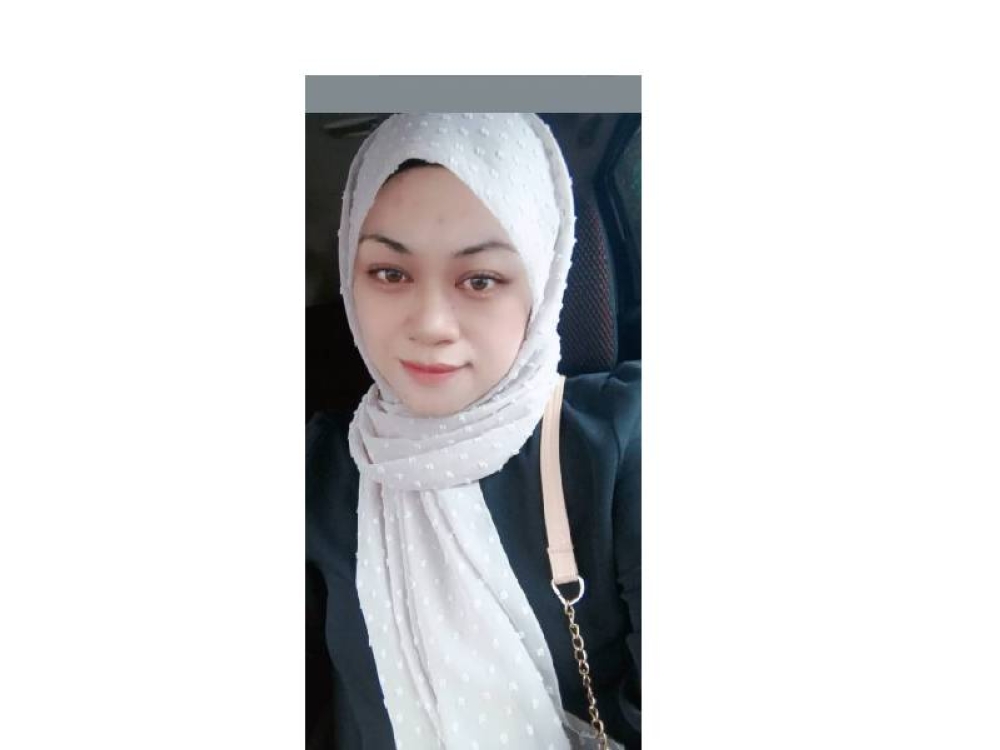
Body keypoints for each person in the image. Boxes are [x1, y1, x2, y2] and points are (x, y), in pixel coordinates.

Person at [307, 113, 641, 749]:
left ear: (541, 284)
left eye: (481, 280)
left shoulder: (622, 443)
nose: (431, 323)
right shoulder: (320, 472)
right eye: (390, 273)